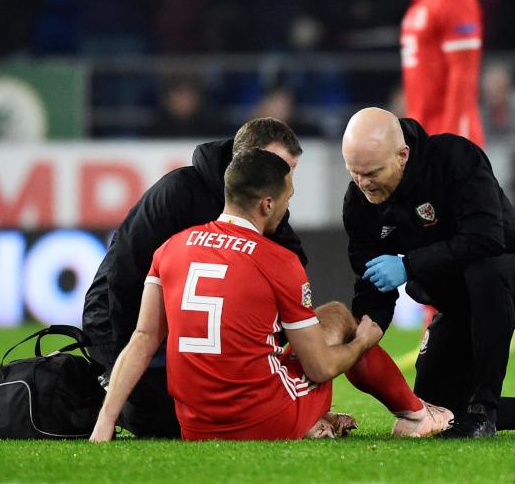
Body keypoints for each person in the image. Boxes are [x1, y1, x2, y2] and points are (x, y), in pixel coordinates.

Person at [83, 117, 447, 439]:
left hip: (194, 418)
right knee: (337, 318)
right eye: (283, 181)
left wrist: (105, 422)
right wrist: (362, 342)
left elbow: (144, 335)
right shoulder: (262, 250)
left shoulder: (173, 248)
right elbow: (120, 281)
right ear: (265, 197)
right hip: (256, 413)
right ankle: (416, 414)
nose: (288, 188)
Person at [341, 108, 515, 439]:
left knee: (485, 271)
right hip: (460, 303)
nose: (363, 183)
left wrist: (408, 265)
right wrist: (361, 337)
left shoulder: (454, 158)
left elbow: (485, 239)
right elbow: (372, 283)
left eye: (372, 172)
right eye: (354, 172)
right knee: (436, 408)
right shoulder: (359, 202)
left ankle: (484, 411)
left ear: (403, 155)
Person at [394, 0, 484, 146]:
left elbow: (463, 77)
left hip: (444, 144)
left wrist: (451, 147)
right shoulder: (419, 4)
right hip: (422, 141)